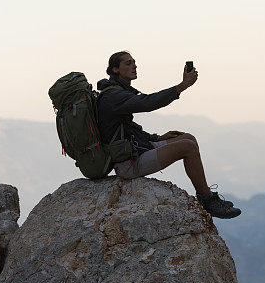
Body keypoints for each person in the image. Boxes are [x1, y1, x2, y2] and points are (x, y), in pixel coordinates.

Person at [96, 51, 241, 219]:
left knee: (188, 138)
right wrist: (182, 86)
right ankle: (207, 200)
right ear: (115, 69)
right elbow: (148, 102)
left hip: (136, 150)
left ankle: (206, 195)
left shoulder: (117, 91)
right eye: (128, 63)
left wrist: (156, 138)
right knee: (188, 147)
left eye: (134, 62)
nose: (134, 66)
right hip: (128, 164)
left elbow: (127, 128)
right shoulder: (113, 96)